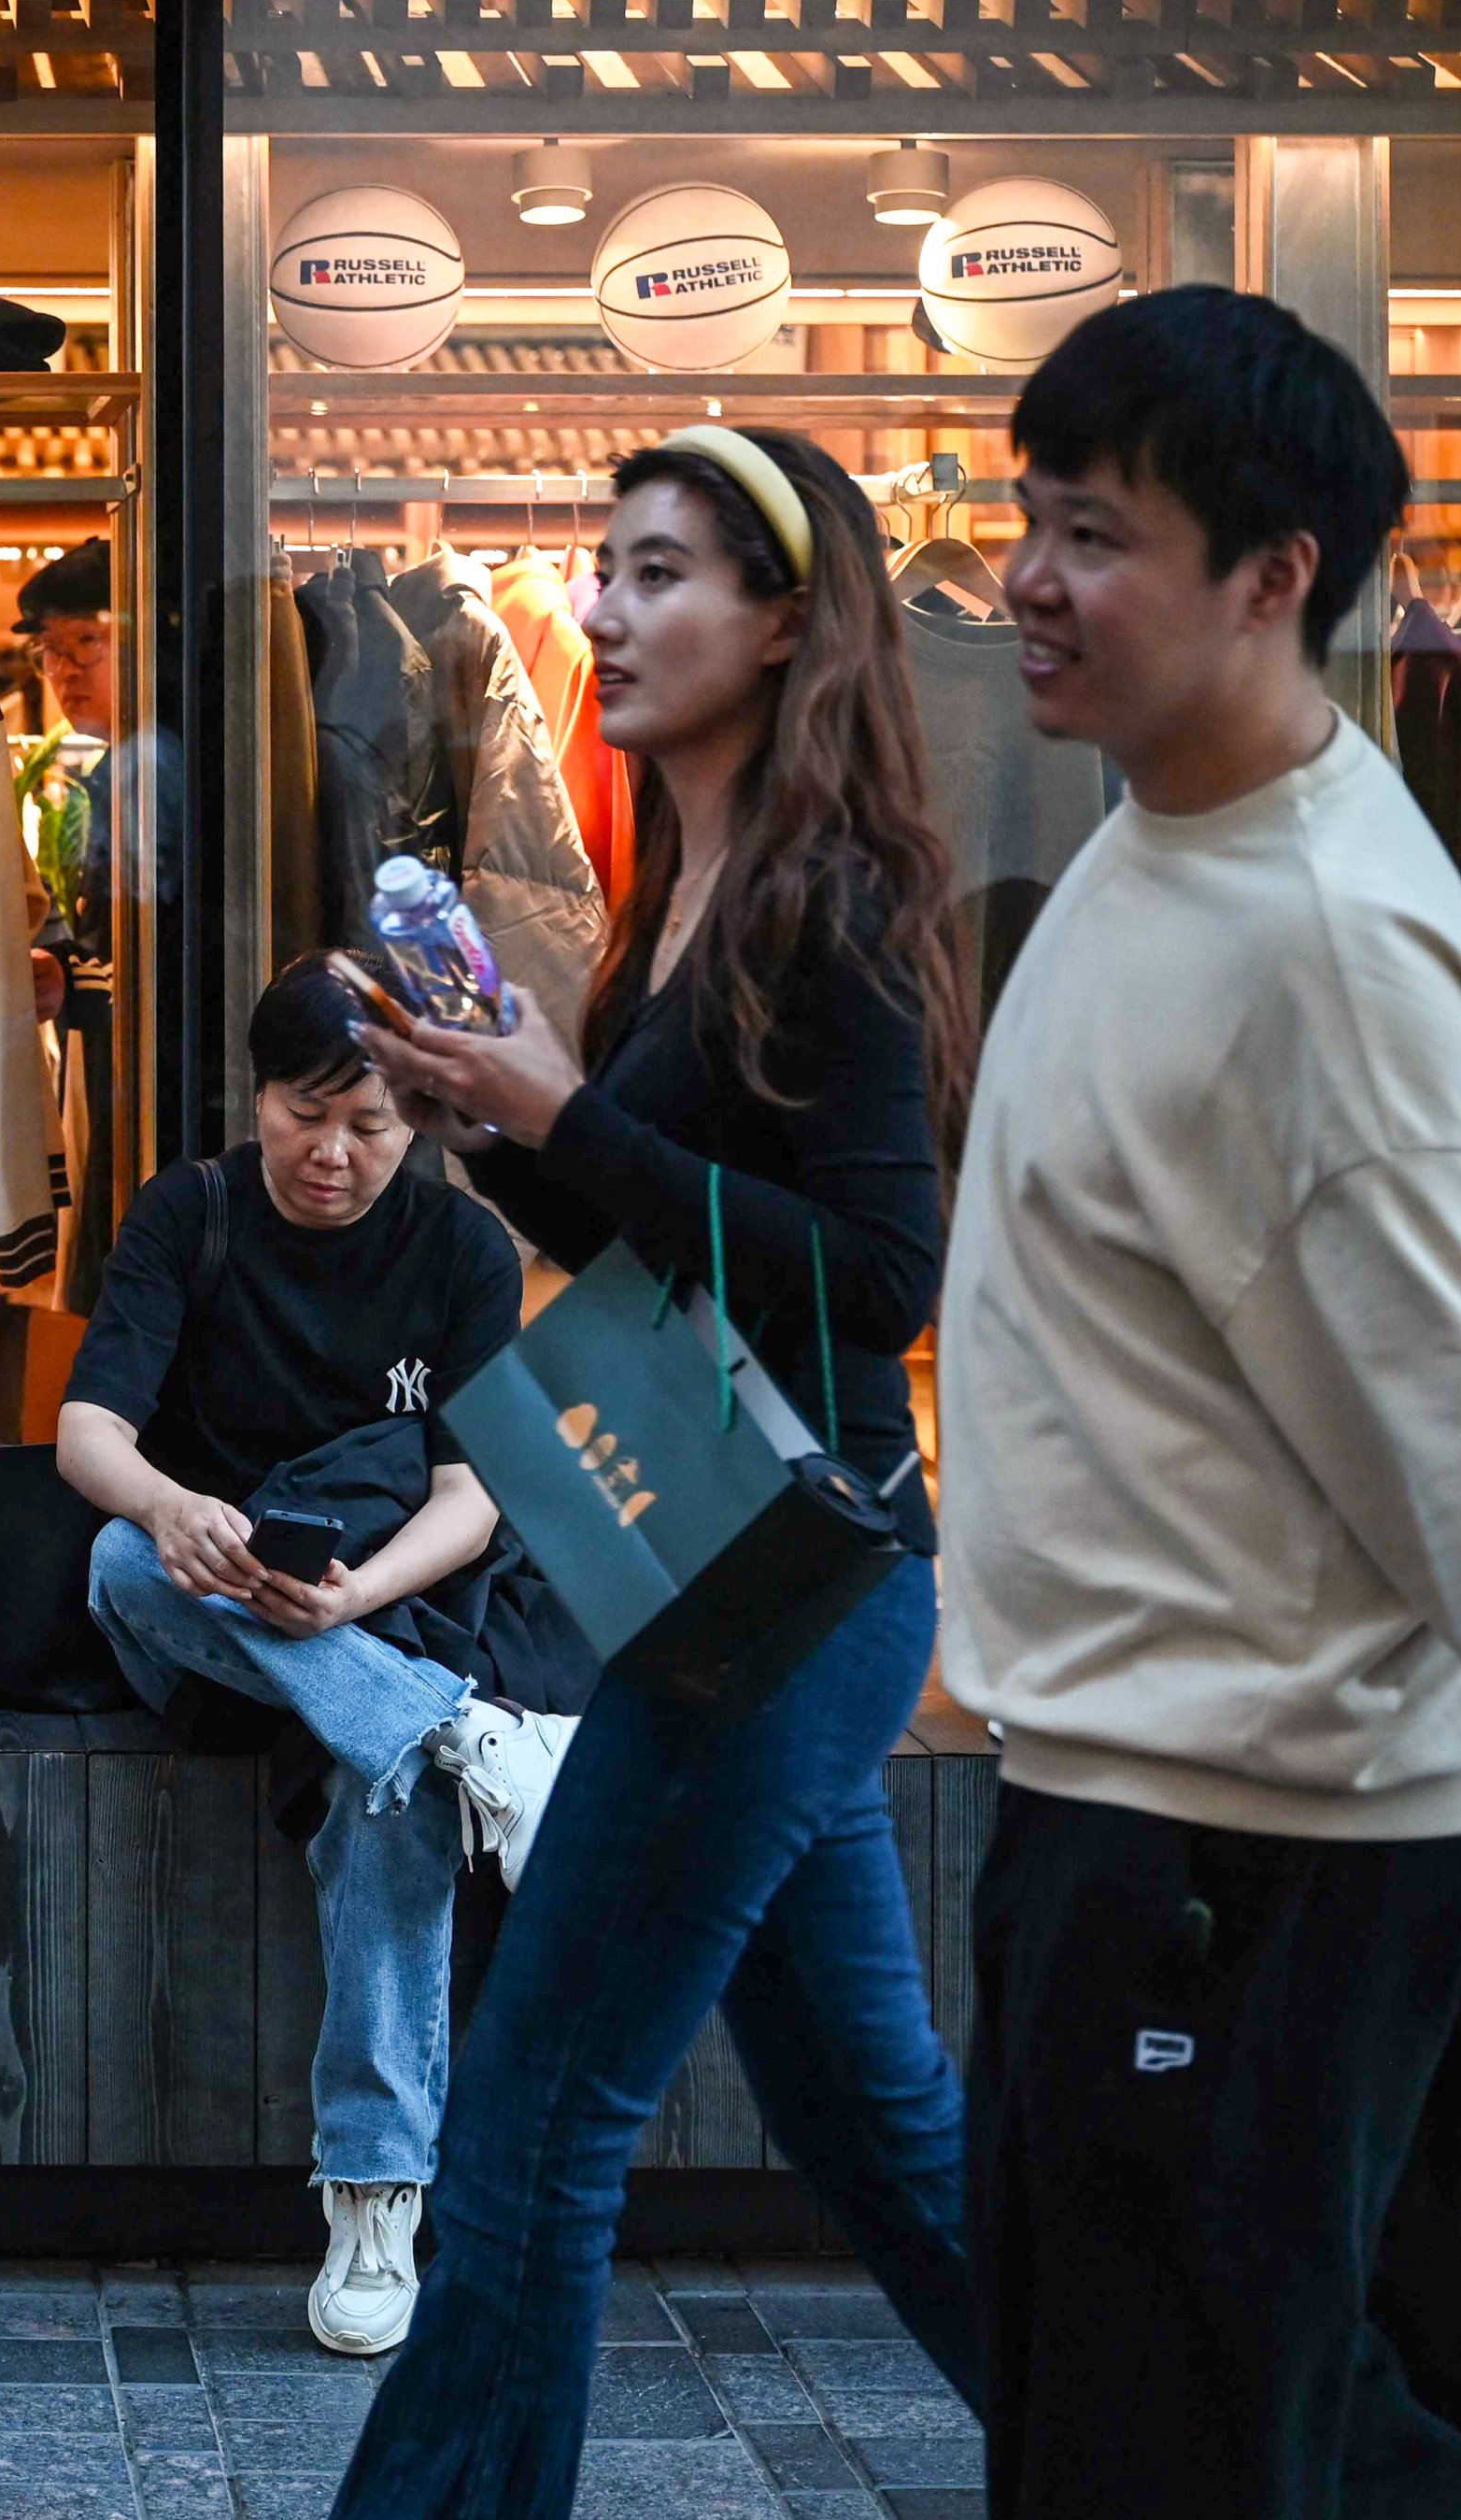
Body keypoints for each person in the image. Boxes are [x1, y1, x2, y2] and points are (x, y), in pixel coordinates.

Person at [335, 425, 984, 2512]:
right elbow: (656, 1249)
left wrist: (566, 1112)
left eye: (654, 574)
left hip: (787, 1583)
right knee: (872, 2121)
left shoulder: (836, 906)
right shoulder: (678, 884)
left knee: (530, 2106)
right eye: (601, 572)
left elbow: (879, 1275)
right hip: (722, 1567)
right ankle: (1181, 2446)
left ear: (785, 618)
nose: (598, 614)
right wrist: (496, 1117)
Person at [936, 286, 1461, 2517]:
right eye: (1025, 518)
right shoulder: (1155, 817)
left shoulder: (1321, 946)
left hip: (1260, 1842)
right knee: (1194, 2424)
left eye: (1088, 533)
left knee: (1187, 2449)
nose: (1021, 578)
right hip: (1138, 1796)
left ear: (1271, 575)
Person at [60, 956, 590, 2357]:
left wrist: (355, 1607)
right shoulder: (192, 1214)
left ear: (417, 1121)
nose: (334, 1155)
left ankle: (374, 2194)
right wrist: (174, 1506)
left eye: (371, 1126)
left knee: (386, 1789)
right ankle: (465, 1736)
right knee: (120, 1560)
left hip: (381, 1614)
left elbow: (474, 1498)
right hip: (212, 1612)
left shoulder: (465, 1252)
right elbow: (88, 1436)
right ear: (258, 1097)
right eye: (307, 1114)